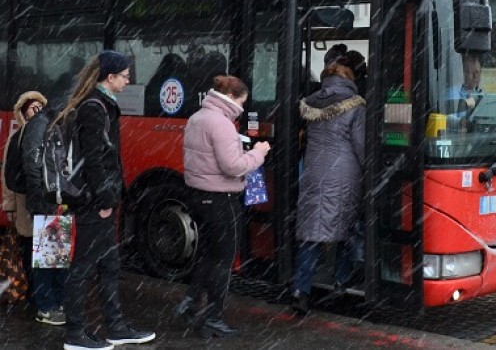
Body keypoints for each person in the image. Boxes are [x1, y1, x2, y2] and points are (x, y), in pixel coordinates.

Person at [58, 51, 155, 350]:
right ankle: (75, 333)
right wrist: (104, 197)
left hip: (100, 199)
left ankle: (116, 327)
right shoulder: (94, 107)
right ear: (109, 77)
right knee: (83, 267)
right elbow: (94, 159)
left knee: (110, 265)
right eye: (125, 75)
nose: (128, 80)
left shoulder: (101, 104)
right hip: (93, 202)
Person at [175, 75, 270, 338]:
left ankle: (190, 303)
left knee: (208, 254)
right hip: (221, 198)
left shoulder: (198, 117)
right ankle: (212, 316)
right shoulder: (222, 123)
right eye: (242, 100)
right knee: (223, 259)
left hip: (198, 195)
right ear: (231, 98)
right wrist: (258, 153)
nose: (242, 105)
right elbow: (233, 167)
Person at [291, 63, 366, 315]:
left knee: (310, 234)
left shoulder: (310, 103)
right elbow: (360, 145)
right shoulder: (355, 105)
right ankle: (341, 283)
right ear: (349, 79)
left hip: (313, 173)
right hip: (344, 176)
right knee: (345, 230)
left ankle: (301, 289)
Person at [1, 91, 67, 325]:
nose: (36, 110)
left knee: (46, 255)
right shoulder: (20, 136)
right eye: (32, 107)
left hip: (43, 202)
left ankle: (45, 300)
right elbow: (9, 174)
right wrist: (9, 205)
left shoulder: (49, 131)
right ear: (23, 111)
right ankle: (43, 302)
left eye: (40, 106)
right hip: (28, 203)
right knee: (38, 254)